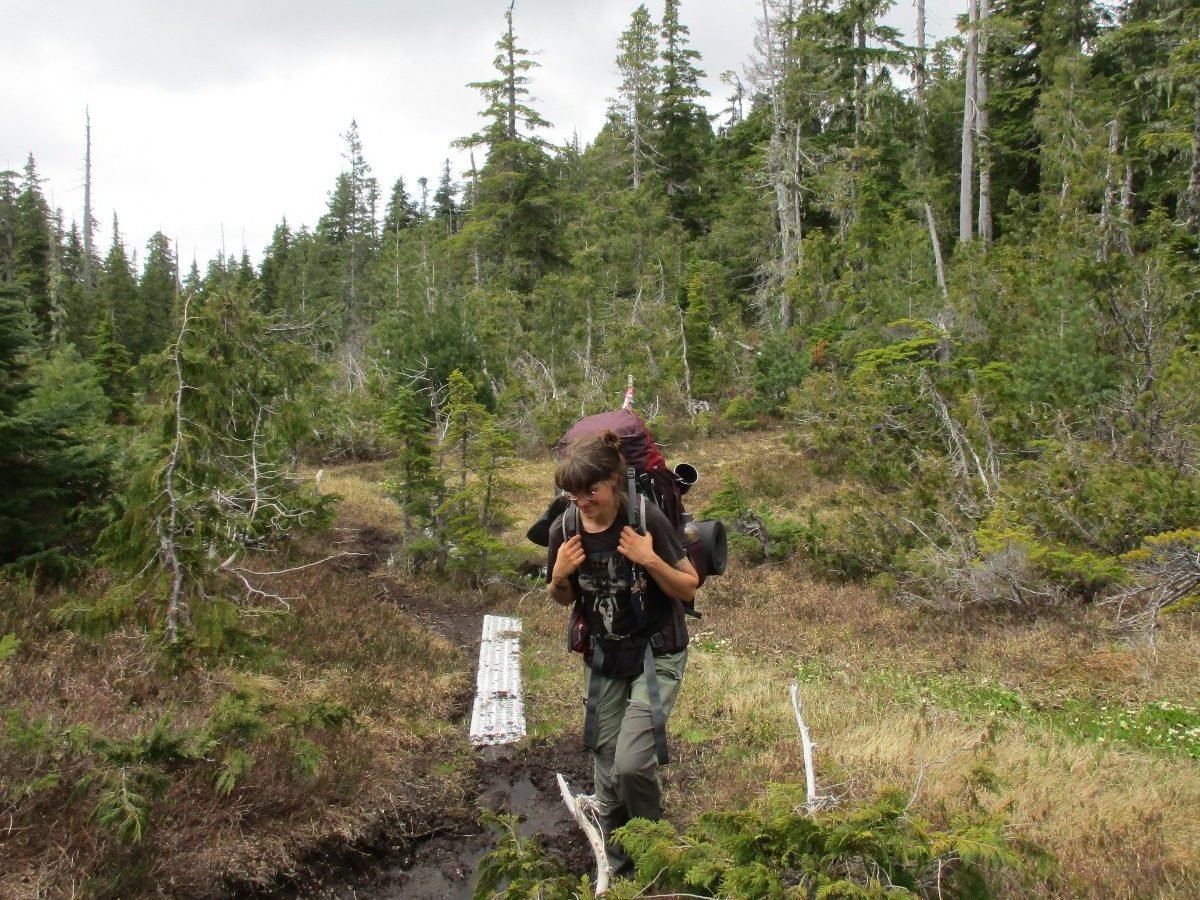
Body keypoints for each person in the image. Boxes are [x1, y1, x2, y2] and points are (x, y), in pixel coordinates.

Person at [546, 431, 699, 875]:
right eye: (572, 494)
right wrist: (558, 575)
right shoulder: (566, 527)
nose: (581, 502)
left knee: (632, 765)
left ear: (614, 482)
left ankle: (655, 850)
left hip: (657, 652)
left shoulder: (645, 519)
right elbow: (561, 595)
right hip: (604, 656)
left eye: (590, 492)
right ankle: (617, 861)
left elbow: (688, 586)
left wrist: (648, 559)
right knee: (606, 764)